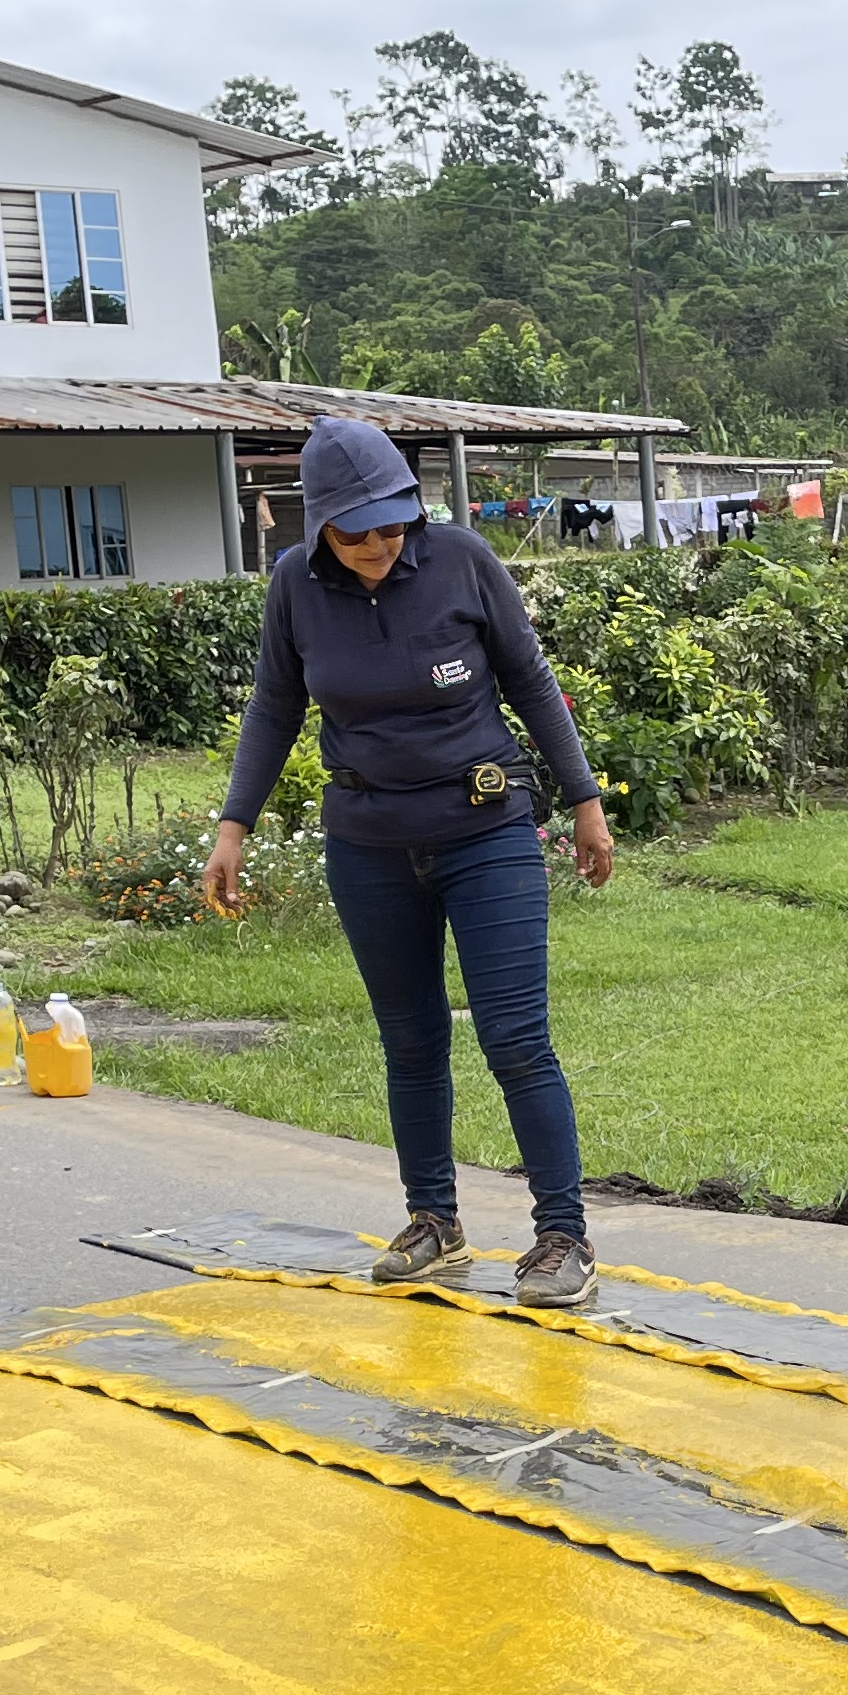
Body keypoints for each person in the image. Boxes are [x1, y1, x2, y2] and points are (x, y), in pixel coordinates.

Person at [205, 415, 617, 1309]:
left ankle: (563, 1235)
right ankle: (434, 1220)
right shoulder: (293, 587)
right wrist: (234, 827)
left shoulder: (462, 560)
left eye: (393, 524)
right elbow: (275, 707)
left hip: (486, 831)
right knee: (411, 1038)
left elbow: (531, 681)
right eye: (357, 532)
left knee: (515, 1037)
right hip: (369, 845)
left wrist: (585, 802)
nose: (379, 544)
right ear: (320, 525)